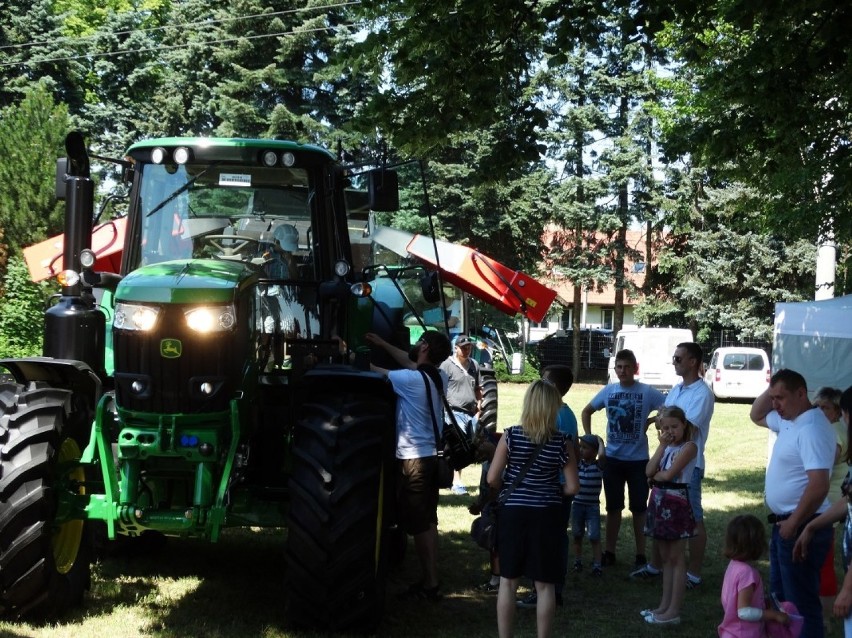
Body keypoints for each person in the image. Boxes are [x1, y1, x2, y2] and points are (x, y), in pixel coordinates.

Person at [487, 380, 580, 638]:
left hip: (513, 514)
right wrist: (549, 490)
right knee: (545, 584)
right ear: (553, 408)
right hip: (547, 515)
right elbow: (572, 487)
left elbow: (492, 478)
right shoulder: (563, 442)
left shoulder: (511, 435)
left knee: (508, 580)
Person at [365, 329, 452, 601]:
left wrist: (348, 351)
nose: (417, 344)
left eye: (421, 342)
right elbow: (410, 362)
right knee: (428, 520)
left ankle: (431, 584)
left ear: (425, 347)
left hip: (413, 459)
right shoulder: (439, 377)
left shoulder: (410, 380)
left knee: (419, 524)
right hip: (431, 458)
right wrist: (382, 342)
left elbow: (374, 370)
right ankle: (431, 580)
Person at [751, 369, 837, 638]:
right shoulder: (789, 420)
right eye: (772, 397)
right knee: (782, 599)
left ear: (801, 394)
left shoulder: (811, 427)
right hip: (786, 524)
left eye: (781, 398)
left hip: (801, 524)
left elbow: (819, 486)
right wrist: (772, 387)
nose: (775, 404)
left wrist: (794, 522)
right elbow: (755, 415)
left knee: (800, 603)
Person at [632, 342, 715, 589]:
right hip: (666, 460)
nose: (674, 362)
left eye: (679, 358)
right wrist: (661, 422)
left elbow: (685, 427)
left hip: (689, 466)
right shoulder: (677, 389)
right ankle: (656, 566)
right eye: (674, 358)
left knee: (694, 517)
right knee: (662, 516)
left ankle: (694, 575)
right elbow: (664, 420)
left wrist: (664, 423)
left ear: (693, 362)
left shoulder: (702, 393)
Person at [581, 349, 666, 570]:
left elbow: (670, 409)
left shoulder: (647, 392)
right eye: (619, 367)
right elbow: (587, 411)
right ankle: (610, 552)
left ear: (635, 368)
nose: (623, 371)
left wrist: (652, 421)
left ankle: (640, 554)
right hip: (613, 460)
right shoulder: (609, 391)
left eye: (627, 367)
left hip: (639, 462)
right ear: (615, 368)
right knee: (613, 508)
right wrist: (591, 439)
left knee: (639, 509)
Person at [517, 364, 578, 609]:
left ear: (552, 387)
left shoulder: (557, 416)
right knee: (554, 539)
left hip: (553, 489)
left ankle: (548, 591)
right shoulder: (566, 413)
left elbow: (555, 454)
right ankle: (551, 590)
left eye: (543, 380)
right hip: (558, 488)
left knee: (547, 542)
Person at [794, 386, 852, 638]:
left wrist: (848, 588)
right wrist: (811, 526)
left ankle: (824, 617)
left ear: (845, 414)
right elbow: (848, 501)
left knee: (823, 566)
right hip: (827, 514)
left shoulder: (836, 432)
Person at [641, 406, 698, 625]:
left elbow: (670, 474)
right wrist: (661, 445)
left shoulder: (689, 447)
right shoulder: (665, 447)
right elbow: (649, 470)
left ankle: (673, 610)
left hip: (675, 503)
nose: (670, 431)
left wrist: (657, 476)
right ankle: (663, 606)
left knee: (676, 558)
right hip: (659, 501)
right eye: (665, 428)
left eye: (674, 426)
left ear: (684, 424)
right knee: (665, 558)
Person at [718, 514, 793, 638]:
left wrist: (762, 601)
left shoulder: (733, 566)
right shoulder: (747, 573)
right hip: (745, 633)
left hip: (731, 632)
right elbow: (744, 612)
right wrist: (774, 615)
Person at [813, 386, 846, 628]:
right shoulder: (833, 429)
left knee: (823, 560)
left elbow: (825, 466)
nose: (820, 411)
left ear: (837, 411)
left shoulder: (834, 432)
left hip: (829, 503)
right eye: (818, 407)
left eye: (826, 407)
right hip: (829, 502)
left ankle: (824, 617)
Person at [439, 334, 483, 495]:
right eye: (463, 347)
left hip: (470, 414)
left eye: (469, 347)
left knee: (468, 447)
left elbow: (478, 389)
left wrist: (479, 409)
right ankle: (456, 482)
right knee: (458, 447)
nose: (466, 350)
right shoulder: (446, 366)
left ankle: (454, 480)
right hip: (452, 412)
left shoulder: (474, 365)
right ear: (455, 348)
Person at [573, 433, 606, 576]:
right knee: (577, 534)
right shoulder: (578, 464)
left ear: (594, 451)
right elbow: (573, 450)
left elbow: (603, 456)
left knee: (594, 536)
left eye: (585, 448)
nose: (581, 450)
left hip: (592, 506)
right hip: (577, 505)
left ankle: (597, 564)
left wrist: (600, 442)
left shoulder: (599, 465)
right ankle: (577, 561)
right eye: (581, 447)